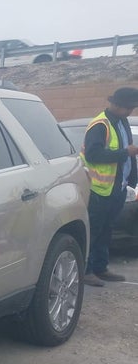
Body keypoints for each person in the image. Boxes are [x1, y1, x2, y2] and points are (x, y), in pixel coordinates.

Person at [81, 87, 138, 286]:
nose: (130, 111)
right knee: (94, 231)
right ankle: (86, 271)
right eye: (128, 108)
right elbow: (93, 155)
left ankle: (100, 268)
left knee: (106, 230)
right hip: (98, 189)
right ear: (115, 104)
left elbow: (130, 154)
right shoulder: (100, 125)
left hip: (117, 188)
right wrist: (124, 153)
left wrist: (132, 179)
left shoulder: (122, 122)